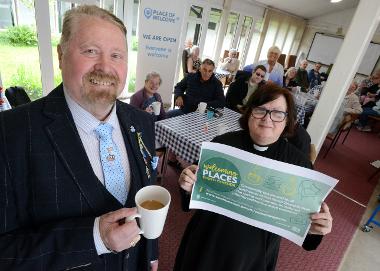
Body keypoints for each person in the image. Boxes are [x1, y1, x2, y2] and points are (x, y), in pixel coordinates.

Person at [0, 5, 158, 271]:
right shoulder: (10, 133)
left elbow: (146, 198)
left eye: (116, 55)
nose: (105, 67)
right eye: (90, 51)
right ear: (61, 55)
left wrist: (150, 253)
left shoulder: (142, 121)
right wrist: (95, 237)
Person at [174, 84, 333, 271]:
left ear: (287, 120)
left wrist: (316, 229)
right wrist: (186, 184)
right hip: (206, 242)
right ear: (249, 113)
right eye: (260, 110)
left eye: (277, 113)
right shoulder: (222, 144)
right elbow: (192, 192)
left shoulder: (299, 165)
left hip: (253, 256)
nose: (267, 119)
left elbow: (305, 231)